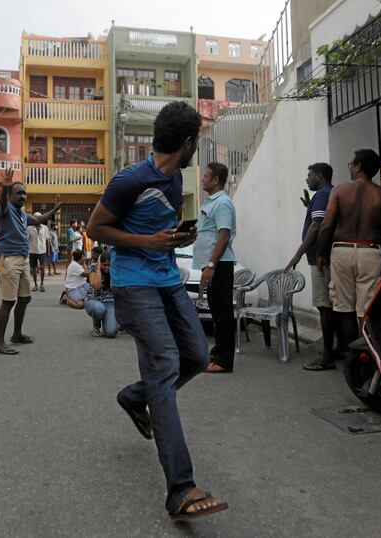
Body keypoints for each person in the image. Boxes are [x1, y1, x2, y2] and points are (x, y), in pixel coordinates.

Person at [87, 101, 228, 521]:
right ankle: (180, 489)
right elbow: (95, 229)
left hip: (166, 279)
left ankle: (134, 396)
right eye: (197, 141)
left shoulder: (175, 178)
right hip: (135, 283)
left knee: (198, 356)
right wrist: (148, 242)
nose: (196, 149)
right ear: (187, 143)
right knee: (164, 364)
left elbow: (158, 222)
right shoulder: (129, 180)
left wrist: (172, 236)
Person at [317, 148, 381, 360]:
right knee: (365, 307)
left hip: (342, 250)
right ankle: (367, 355)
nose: (350, 168)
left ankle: (351, 354)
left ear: (358, 167)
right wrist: (378, 238)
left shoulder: (340, 191)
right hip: (370, 252)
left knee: (344, 306)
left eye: (351, 165)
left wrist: (320, 253)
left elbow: (326, 226)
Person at [0, 168, 62, 355]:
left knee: (25, 297)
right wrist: (4, 188)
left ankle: (16, 334)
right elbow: (1, 204)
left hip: (22, 258)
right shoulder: (5, 210)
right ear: (10, 195)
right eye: (19, 193)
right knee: (8, 301)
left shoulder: (23, 215)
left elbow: (39, 219)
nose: (23, 196)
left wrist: (55, 209)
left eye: (25, 193)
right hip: (8, 258)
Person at [285, 163, 340, 371]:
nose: (307, 180)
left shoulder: (323, 195)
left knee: (324, 306)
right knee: (330, 305)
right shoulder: (326, 195)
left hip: (321, 259)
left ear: (318, 176)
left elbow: (318, 226)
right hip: (323, 257)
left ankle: (327, 356)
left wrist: (297, 255)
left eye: (309, 176)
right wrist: (309, 206)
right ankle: (336, 348)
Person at [193, 162, 237, 374]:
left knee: (223, 313)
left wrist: (211, 264)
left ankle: (224, 361)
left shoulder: (222, 203)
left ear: (216, 180)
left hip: (219, 265)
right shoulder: (212, 202)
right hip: (212, 265)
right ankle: (218, 353)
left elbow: (224, 234)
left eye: (206, 176)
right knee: (217, 311)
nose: (203, 179)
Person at [85, 251, 118, 337]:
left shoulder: (115, 269)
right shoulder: (93, 267)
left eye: (109, 265)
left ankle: (110, 321)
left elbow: (112, 287)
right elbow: (96, 286)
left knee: (111, 333)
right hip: (93, 300)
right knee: (99, 309)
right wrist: (99, 267)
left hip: (110, 302)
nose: (107, 267)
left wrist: (111, 270)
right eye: (104, 265)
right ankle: (96, 326)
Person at [27, 213, 50, 292]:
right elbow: (27, 240)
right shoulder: (29, 228)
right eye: (35, 217)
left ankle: (42, 284)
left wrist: (48, 251)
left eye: (38, 217)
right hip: (32, 251)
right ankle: (36, 285)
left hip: (42, 251)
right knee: (33, 269)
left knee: (42, 268)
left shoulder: (45, 228)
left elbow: (47, 240)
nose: (36, 219)